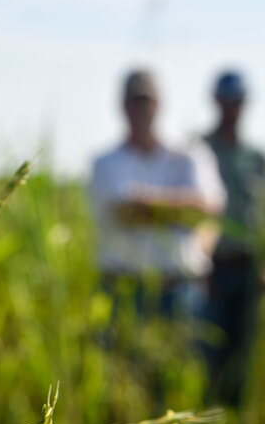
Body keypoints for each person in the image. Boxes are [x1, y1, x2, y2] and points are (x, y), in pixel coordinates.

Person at [90, 69, 226, 319]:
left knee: (185, 358)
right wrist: (180, 208)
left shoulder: (191, 153)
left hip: (181, 288)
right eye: (134, 101)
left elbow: (208, 210)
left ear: (158, 104)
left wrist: (145, 203)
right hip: (122, 289)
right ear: (123, 106)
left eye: (146, 100)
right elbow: (124, 215)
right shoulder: (105, 162)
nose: (140, 109)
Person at [202, 71, 265, 406]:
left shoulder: (255, 156)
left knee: (244, 348)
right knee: (209, 348)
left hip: (249, 269)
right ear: (217, 102)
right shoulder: (200, 150)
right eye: (227, 101)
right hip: (211, 268)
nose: (231, 108)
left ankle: (234, 420)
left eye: (237, 101)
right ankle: (208, 417)